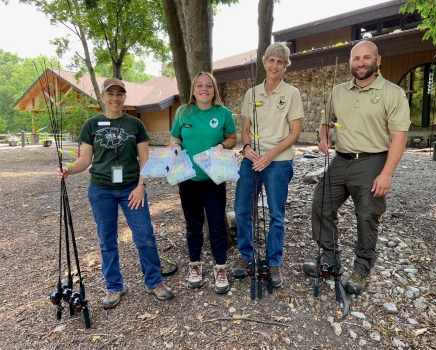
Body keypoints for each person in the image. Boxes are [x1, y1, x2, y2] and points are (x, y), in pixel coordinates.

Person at [302, 40, 411, 295]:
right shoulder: (339, 91)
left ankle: (361, 269)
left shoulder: (392, 93)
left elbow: (399, 137)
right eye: (356, 59)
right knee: (320, 204)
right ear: (350, 63)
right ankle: (329, 260)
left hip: (373, 160)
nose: (361, 63)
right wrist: (325, 136)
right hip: (341, 159)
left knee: (366, 215)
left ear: (377, 60)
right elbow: (327, 122)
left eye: (366, 58)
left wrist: (386, 173)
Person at [56, 78, 174, 309]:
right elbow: (85, 159)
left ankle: (154, 281)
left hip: (132, 188)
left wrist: (141, 186)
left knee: (145, 236)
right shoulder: (91, 125)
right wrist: (69, 170)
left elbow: (144, 159)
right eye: (111, 94)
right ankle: (114, 285)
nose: (115, 98)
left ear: (124, 97)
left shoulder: (135, 125)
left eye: (120, 94)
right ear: (102, 97)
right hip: (101, 190)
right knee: (107, 240)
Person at [233, 42, 304, 288]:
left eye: (280, 62)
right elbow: (244, 130)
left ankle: (274, 262)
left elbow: (295, 132)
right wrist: (247, 148)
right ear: (264, 62)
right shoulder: (251, 94)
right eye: (271, 60)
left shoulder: (291, 93)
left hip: (279, 161)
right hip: (252, 160)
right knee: (242, 209)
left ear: (285, 66)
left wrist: (271, 155)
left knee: (276, 214)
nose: (275, 65)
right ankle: (246, 255)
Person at [169, 72, 237, 294]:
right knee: (193, 224)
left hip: (213, 178)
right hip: (188, 177)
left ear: (214, 89)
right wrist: (176, 147)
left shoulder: (223, 113)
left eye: (209, 85)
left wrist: (223, 146)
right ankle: (195, 265)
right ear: (193, 89)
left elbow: (232, 138)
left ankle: (220, 267)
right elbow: (175, 137)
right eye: (200, 85)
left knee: (217, 223)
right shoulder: (183, 111)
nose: (204, 89)